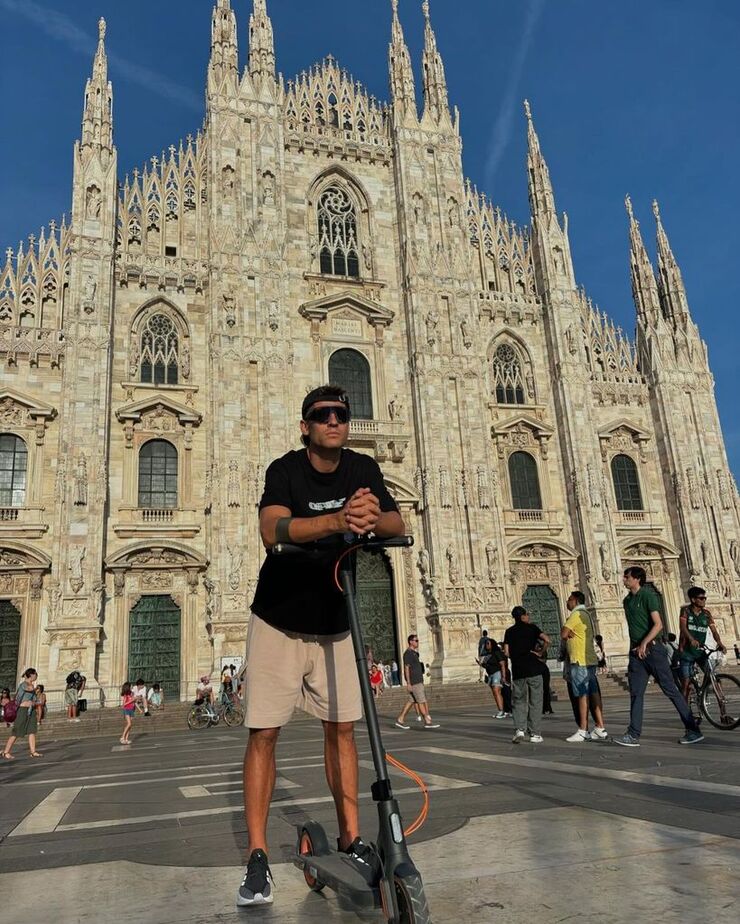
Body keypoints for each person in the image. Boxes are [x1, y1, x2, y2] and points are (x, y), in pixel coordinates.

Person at [238, 384, 405, 908]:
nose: (333, 421)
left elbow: (397, 520)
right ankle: (258, 856)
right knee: (264, 732)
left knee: (344, 730)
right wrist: (336, 521)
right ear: (306, 425)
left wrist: (371, 520)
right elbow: (272, 528)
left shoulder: (363, 470)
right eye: (322, 415)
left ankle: (353, 839)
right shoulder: (284, 471)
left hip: (338, 617)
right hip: (280, 618)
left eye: (341, 413)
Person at [614, 567, 704, 747]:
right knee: (636, 693)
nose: (624, 579)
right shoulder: (627, 601)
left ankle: (693, 729)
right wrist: (636, 647)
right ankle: (633, 734)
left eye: (627, 577)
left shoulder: (648, 596)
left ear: (637, 579)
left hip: (653, 651)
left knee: (670, 689)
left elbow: (658, 624)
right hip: (636, 654)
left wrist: (645, 643)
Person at [561, 591, 607, 742]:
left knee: (582, 694)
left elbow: (563, 633)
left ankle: (583, 729)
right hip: (590, 659)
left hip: (579, 659)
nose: (567, 602)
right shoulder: (586, 614)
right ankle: (600, 727)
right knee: (593, 692)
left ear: (574, 600)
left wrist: (568, 633)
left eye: (568, 599)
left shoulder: (575, 614)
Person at [503, 607, 550, 743]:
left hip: (518, 671)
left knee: (518, 701)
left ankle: (520, 730)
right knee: (535, 702)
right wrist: (540, 653)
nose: (528, 616)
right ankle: (535, 734)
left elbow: (506, 653)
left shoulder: (509, 632)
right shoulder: (532, 628)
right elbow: (547, 639)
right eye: (527, 614)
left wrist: (516, 656)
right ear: (523, 616)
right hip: (534, 669)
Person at [677, 587, 727, 702]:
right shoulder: (685, 611)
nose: (704, 600)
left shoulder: (706, 613)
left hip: (700, 651)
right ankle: (686, 713)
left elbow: (714, 631)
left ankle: (723, 714)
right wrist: (691, 639)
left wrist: (719, 643)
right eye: (701, 598)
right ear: (693, 600)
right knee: (686, 683)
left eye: (705, 598)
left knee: (715, 679)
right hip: (686, 651)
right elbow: (683, 627)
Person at [395, 634, 440, 730]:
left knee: (411, 701)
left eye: (418, 640)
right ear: (410, 641)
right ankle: (427, 721)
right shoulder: (408, 653)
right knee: (421, 701)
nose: (417, 642)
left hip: (417, 681)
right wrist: (408, 683)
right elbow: (406, 668)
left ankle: (400, 719)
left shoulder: (414, 653)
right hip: (415, 682)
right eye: (416, 640)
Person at [2, 668, 42, 759]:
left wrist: (35, 702)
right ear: (31, 675)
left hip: (30, 710)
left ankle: (33, 751)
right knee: (16, 732)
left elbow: (35, 699)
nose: (36, 676)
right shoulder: (23, 685)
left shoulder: (32, 686)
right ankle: (6, 751)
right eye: (35, 674)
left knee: (32, 731)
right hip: (22, 710)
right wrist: (33, 687)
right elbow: (28, 689)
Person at [482, 638, 509, 718]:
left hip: (497, 673)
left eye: (488, 643)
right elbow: (487, 665)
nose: (486, 645)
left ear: (492, 644)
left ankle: (501, 711)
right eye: (486, 644)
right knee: (495, 693)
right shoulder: (488, 654)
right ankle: (501, 710)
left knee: (496, 691)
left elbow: (502, 664)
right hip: (490, 675)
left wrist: (503, 677)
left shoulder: (496, 653)